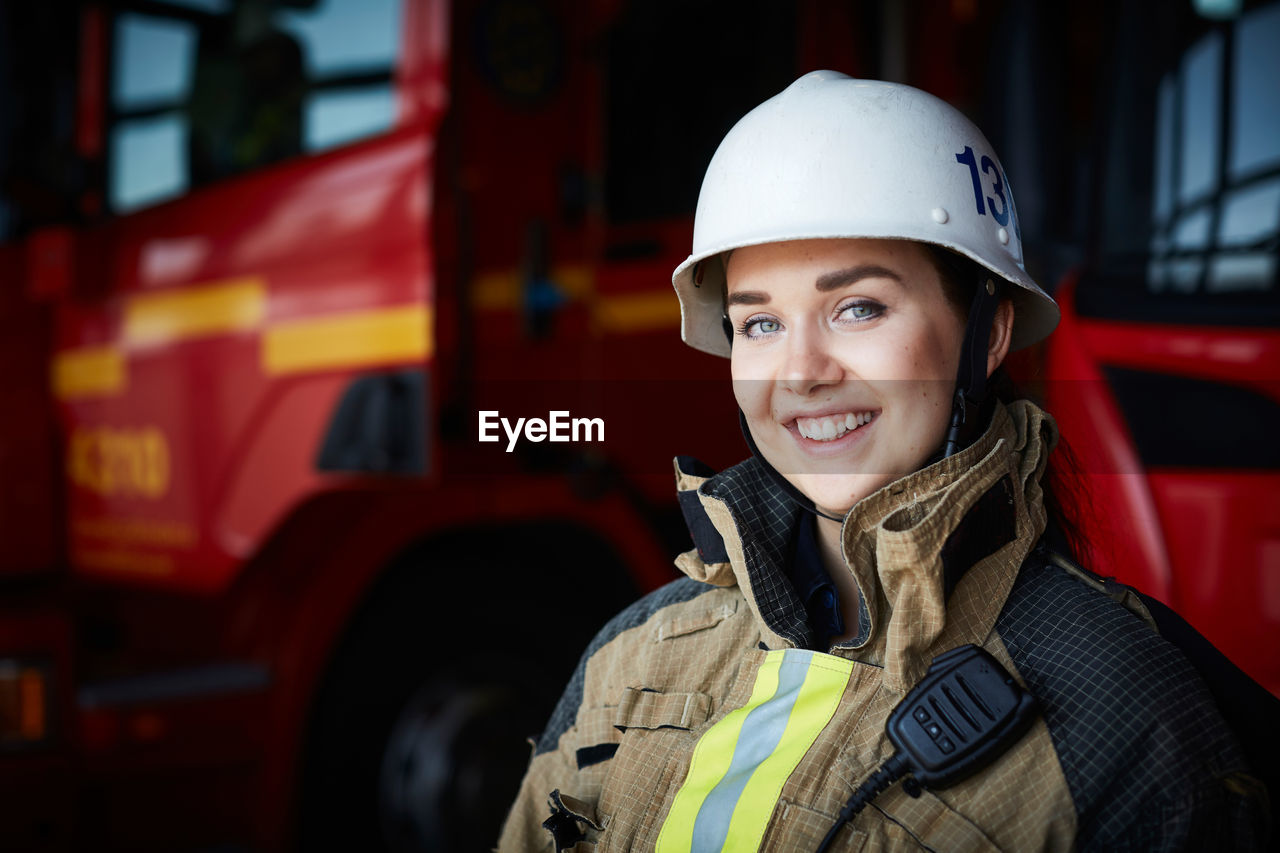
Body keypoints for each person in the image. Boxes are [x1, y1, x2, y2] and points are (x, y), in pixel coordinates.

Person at [497, 71, 1270, 852]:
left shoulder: (1121, 712)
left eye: (857, 308)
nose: (801, 372)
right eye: (759, 323)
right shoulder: (630, 655)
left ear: (989, 334)